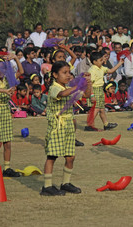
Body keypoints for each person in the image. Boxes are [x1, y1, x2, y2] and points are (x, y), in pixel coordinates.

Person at [41, 61, 91, 196]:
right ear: (55, 75)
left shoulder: (68, 87)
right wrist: (77, 86)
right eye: (64, 73)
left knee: (70, 156)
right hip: (57, 126)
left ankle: (65, 183)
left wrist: (88, 83)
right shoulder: (54, 87)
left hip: (68, 125)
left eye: (69, 72)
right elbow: (62, 94)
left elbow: (86, 95)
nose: (68, 75)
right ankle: (47, 186)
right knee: (52, 156)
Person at [84, 52, 123, 131]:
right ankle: (89, 125)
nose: (102, 61)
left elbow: (111, 71)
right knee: (97, 108)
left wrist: (120, 63)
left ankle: (106, 124)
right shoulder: (92, 70)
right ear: (94, 62)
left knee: (101, 108)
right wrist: (92, 95)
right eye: (100, 60)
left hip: (100, 89)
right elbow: (90, 84)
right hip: (94, 90)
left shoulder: (101, 67)